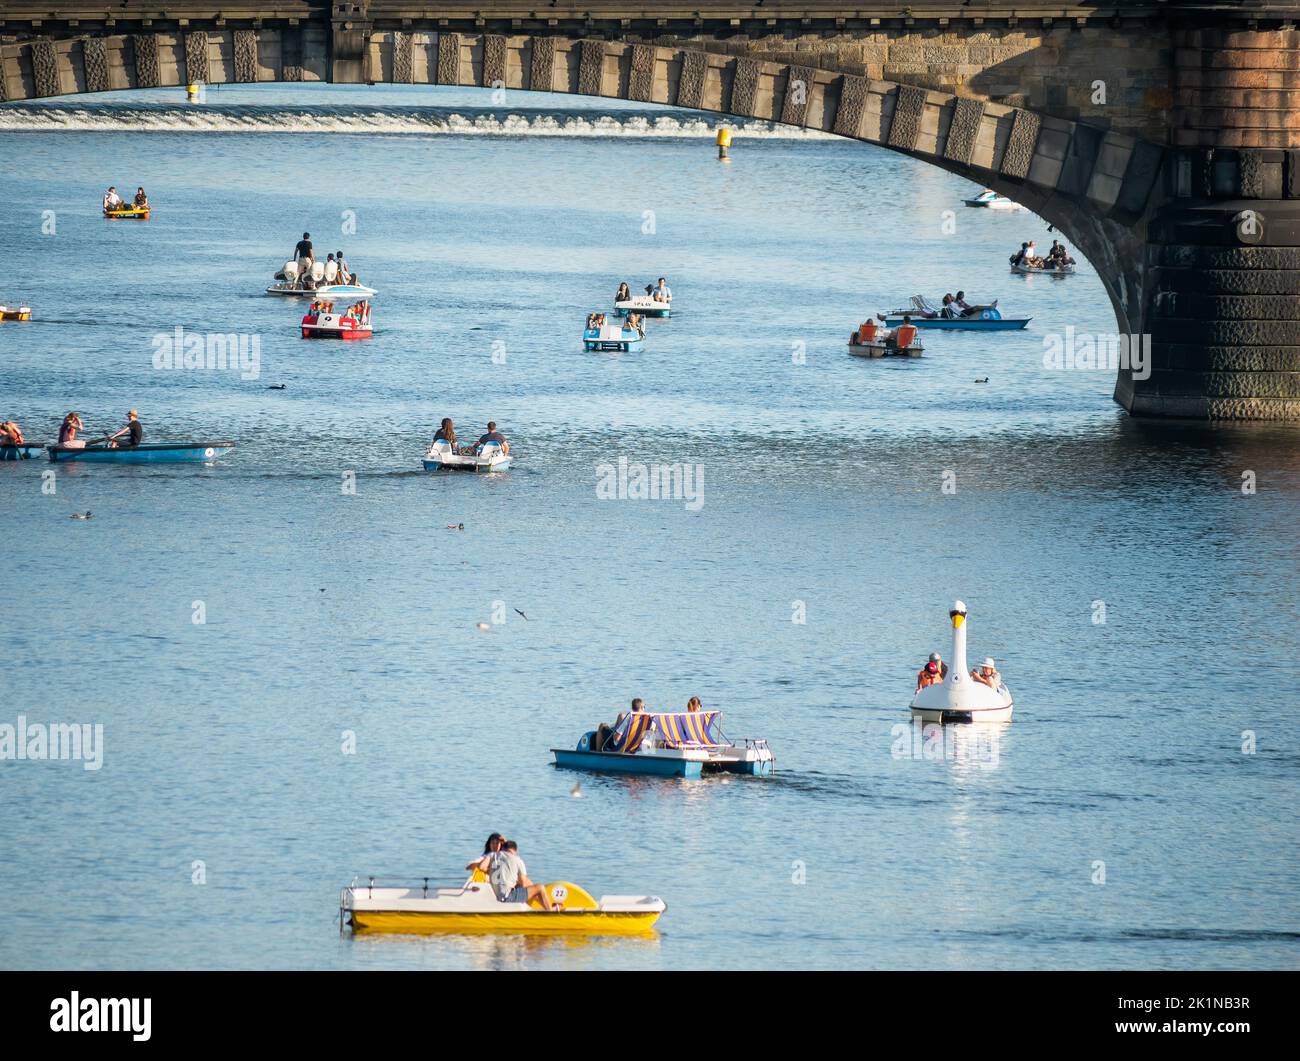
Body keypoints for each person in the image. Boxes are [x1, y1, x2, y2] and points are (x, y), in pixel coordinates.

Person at [489, 840, 558, 911]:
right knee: (540, 887)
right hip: (506, 898)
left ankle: (540, 904)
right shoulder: (517, 860)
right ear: (515, 851)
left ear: (503, 849)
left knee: (523, 887)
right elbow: (524, 883)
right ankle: (550, 911)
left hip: (494, 897)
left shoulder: (493, 856)